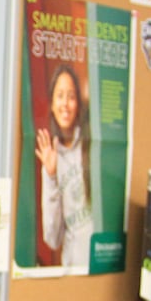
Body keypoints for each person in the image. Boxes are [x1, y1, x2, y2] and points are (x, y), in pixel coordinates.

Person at [34, 63, 93, 267]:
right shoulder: (52, 156)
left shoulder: (91, 146)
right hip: (74, 275)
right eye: (60, 96)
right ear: (51, 104)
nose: (65, 104)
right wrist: (50, 176)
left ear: (78, 103)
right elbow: (52, 238)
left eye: (71, 96)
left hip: (99, 268)